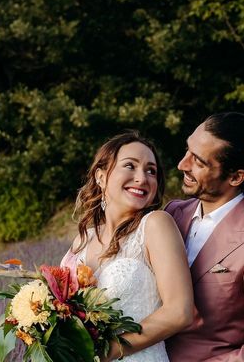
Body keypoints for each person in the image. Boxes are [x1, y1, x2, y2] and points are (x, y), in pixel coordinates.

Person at [165, 112, 244, 362]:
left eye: (199, 162)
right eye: (187, 150)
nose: (182, 164)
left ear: (236, 177)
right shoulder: (172, 214)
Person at [61, 131, 193, 362]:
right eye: (130, 166)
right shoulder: (83, 240)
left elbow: (179, 312)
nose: (142, 178)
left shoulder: (155, 225)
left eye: (151, 171)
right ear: (101, 177)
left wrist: (101, 353)